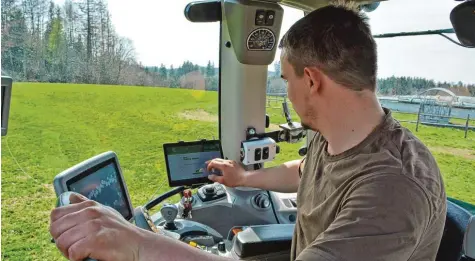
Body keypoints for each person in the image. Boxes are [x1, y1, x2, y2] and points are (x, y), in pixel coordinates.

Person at [49, 4, 447, 261]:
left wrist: (134, 243)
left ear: (312, 80)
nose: (285, 89)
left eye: (286, 78)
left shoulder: (393, 189)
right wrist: (243, 177)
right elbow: (304, 171)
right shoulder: (341, 136)